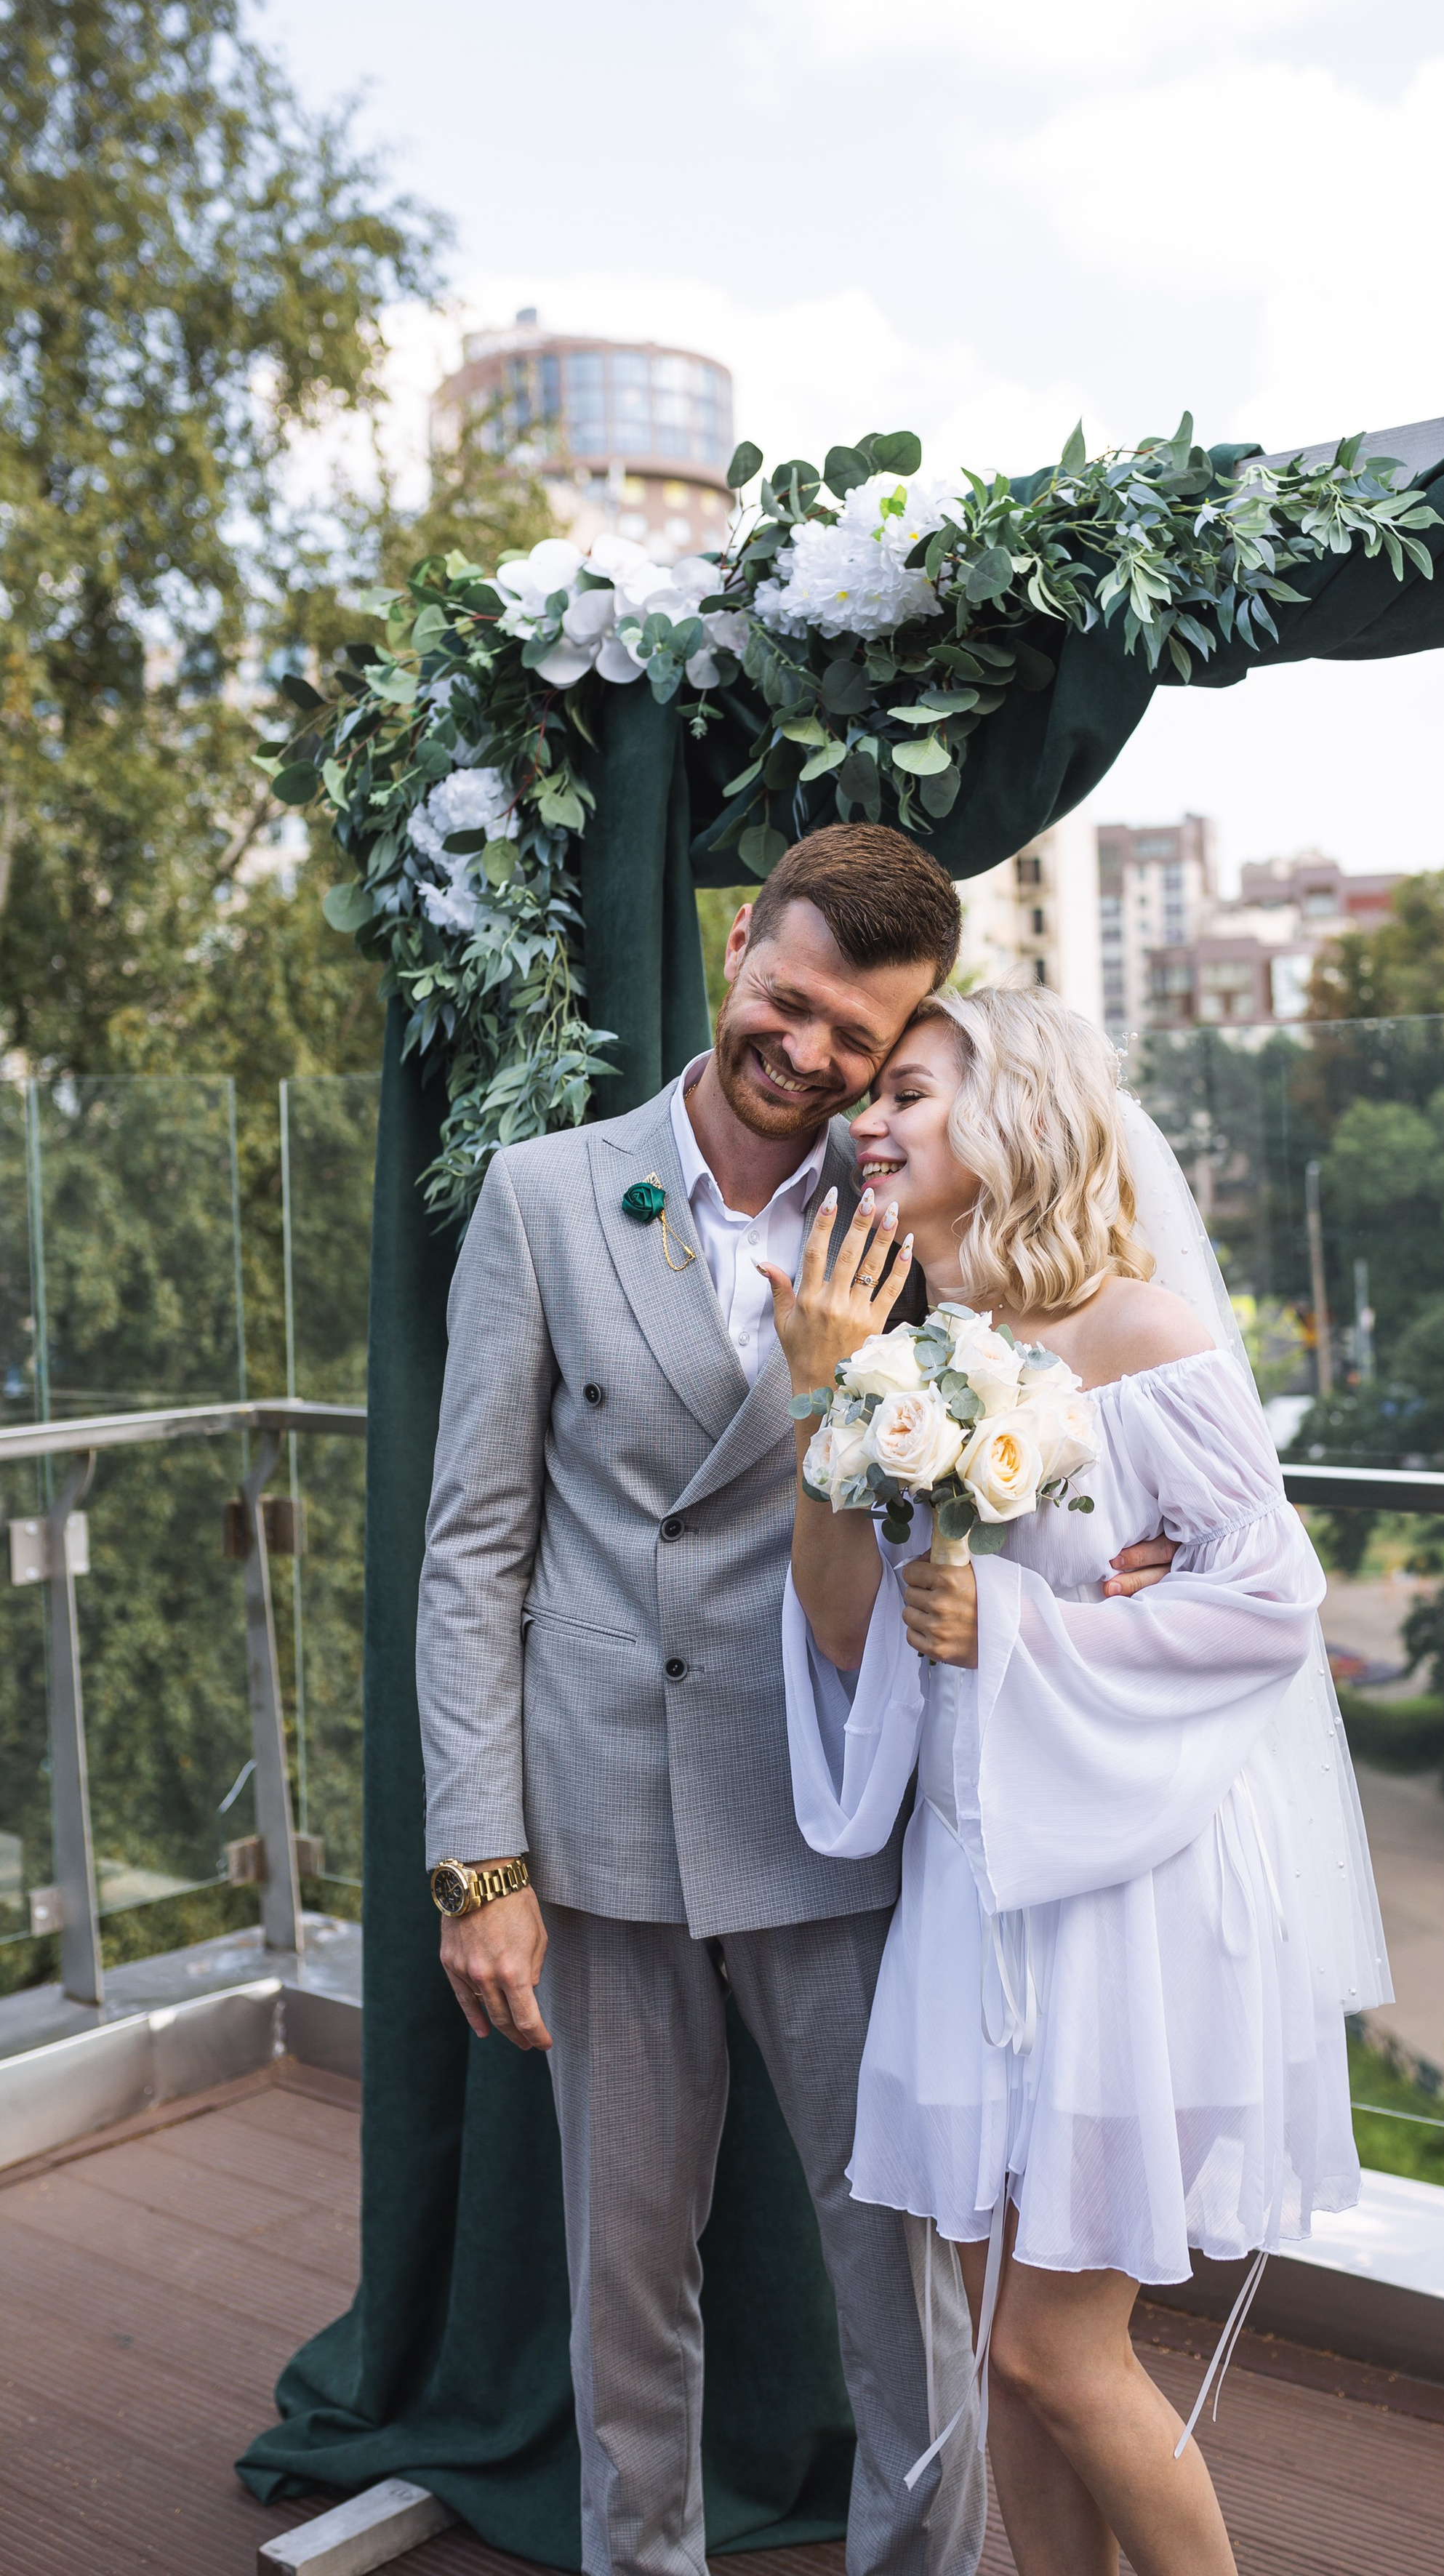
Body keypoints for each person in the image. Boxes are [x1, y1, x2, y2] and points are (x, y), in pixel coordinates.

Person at [413, 826, 1179, 2576]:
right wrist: (479, 1862)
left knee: (895, 2284)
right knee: (624, 2289)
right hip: (596, 1825)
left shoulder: (913, 1199)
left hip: (841, 1814)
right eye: (791, 1001)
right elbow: (473, 1552)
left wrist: (1102, 1568)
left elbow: (1049, 1411)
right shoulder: (545, 1195)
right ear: (738, 941)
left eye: (860, 1034)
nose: (814, 1055)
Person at [769, 987, 1391, 2576]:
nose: (870, 1122)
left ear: (1016, 1112)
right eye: (873, 1098)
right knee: (1001, 2355)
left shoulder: (1139, 1334)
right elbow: (844, 1632)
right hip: (975, 1882)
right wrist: (821, 1397)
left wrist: (1024, 1625)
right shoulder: (913, 1353)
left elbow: (1266, 1601)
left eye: (910, 1091)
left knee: (1058, 2350)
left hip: (1122, 1893)